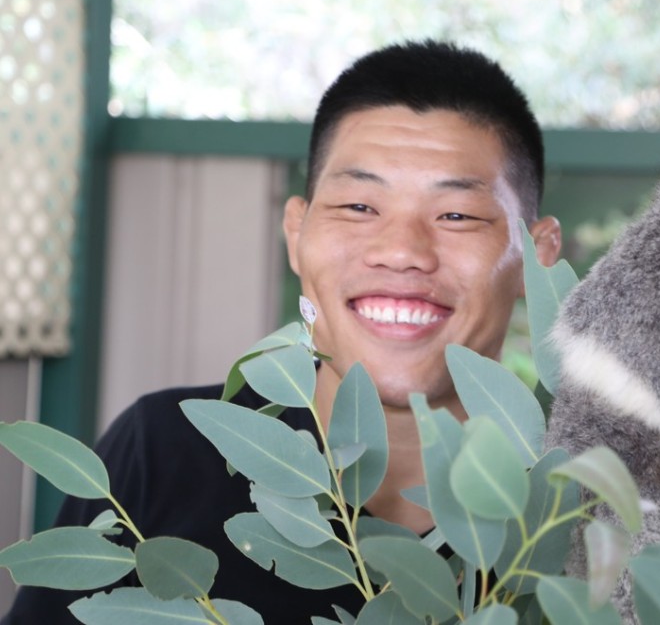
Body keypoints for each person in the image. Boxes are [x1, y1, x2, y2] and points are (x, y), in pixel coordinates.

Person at [2, 39, 562, 624]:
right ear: (296, 233)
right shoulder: (163, 456)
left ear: (537, 255)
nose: (401, 252)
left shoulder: (582, 507)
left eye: (456, 215)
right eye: (358, 207)